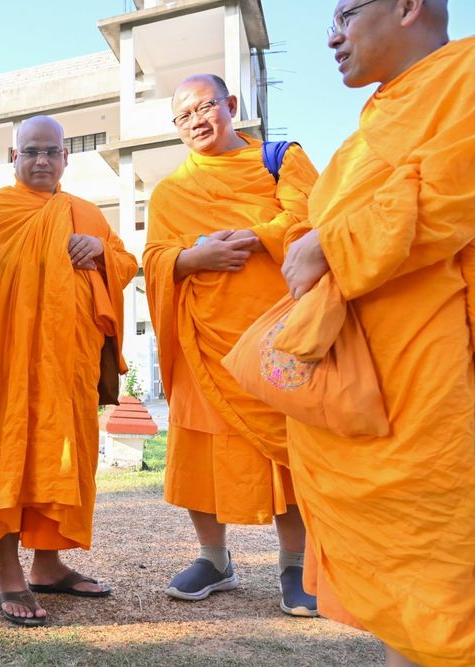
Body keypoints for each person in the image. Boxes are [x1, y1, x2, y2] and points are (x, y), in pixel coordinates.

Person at [280, 2, 474, 664]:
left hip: (437, 374)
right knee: (407, 584)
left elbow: (450, 194)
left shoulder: (467, 77)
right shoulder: (379, 118)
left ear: (408, 6)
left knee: (443, 575)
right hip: (369, 379)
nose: (332, 36)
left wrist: (330, 243)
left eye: (346, 14)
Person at [143, 74, 320, 615]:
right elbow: (155, 258)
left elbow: (311, 220)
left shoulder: (279, 160)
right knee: (200, 448)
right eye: (183, 116)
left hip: (275, 334)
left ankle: (296, 564)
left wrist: (251, 238)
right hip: (203, 340)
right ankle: (213, 558)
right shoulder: (170, 191)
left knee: (286, 446)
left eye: (205, 107)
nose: (196, 121)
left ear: (231, 105)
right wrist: (192, 258)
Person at [0, 115, 137, 625]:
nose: (42, 160)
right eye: (31, 151)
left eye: (51, 152)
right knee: (8, 455)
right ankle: (8, 573)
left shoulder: (86, 212)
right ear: (13, 157)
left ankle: (48, 564)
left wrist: (102, 252)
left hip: (68, 365)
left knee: (61, 457)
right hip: (9, 363)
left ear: (65, 158)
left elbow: (126, 262)